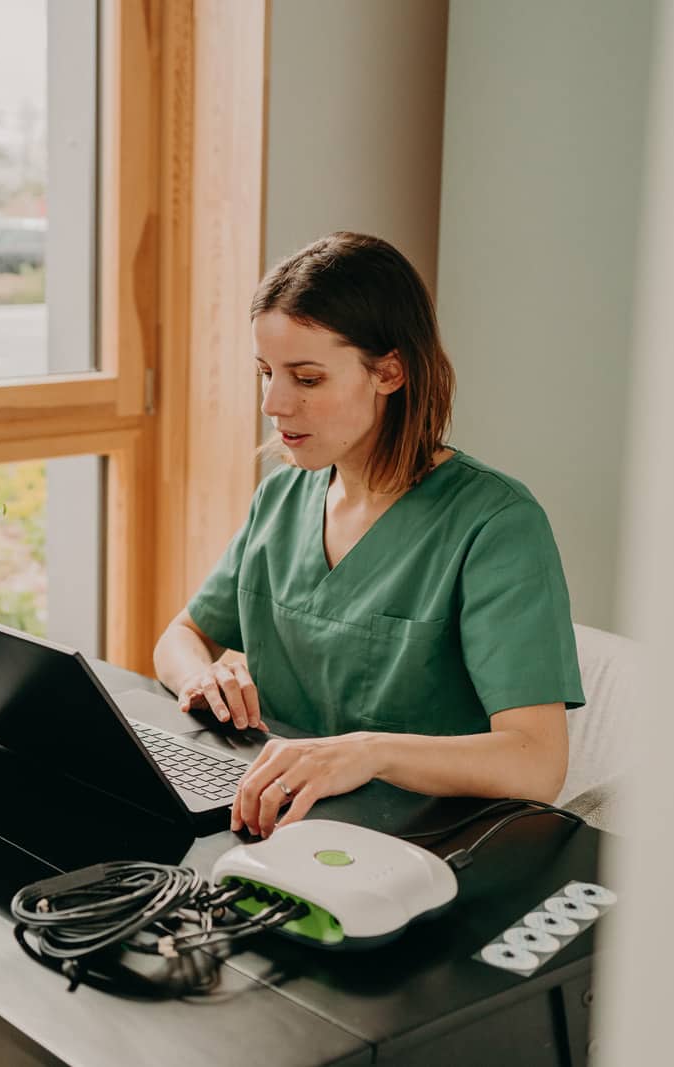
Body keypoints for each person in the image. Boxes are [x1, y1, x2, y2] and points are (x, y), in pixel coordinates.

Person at [153, 232, 584, 839]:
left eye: (306, 379)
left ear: (389, 372)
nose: (273, 403)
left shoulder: (496, 523)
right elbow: (182, 636)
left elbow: (538, 763)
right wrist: (202, 676)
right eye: (266, 373)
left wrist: (367, 752)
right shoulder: (282, 496)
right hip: (274, 821)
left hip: (422, 846)